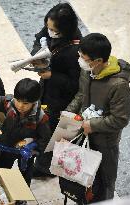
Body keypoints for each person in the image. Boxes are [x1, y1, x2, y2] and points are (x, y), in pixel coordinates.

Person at [66, 33, 130, 203]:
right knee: (81, 177)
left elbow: (120, 119)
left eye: (83, 57)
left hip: (105, 143)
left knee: (103, 184)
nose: (79, 60)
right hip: (83, 134)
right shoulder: (87, 70)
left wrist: (93, 125)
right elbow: (81, 95)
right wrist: (69, 113)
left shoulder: (118, 85)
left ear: (98, 61)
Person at [30, 3, 81, 177]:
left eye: (54, 30)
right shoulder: (51, 27)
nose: (49, 32)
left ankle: (45, 168)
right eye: (48, 27)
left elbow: (75, 84)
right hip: (46, 91)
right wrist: (38, 55)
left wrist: (52, 75)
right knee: (43, 127)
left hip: (60, 100)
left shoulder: (76, 50)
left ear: (64, 30)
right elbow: (39, 38)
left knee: (53, 134)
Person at [0, 78, 51, 187]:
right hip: (5, 146)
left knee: (24, 177)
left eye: (25, 103)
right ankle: (0, 190)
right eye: (18, 100)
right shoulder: (9, 103)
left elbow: (44, 140)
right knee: (1, 171)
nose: (20, 105)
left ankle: (21, 197)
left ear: (34, 102)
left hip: (25, 153)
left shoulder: (40, 118)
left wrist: (33, 149)